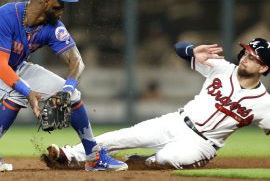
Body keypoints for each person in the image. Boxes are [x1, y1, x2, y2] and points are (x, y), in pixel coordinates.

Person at [46, 38, 270, 169]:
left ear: (263, 68)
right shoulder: (222, 68)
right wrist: (192, 50)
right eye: (246, 52)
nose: (245, 58)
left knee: (165, 159)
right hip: (176, 122)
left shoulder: (263, 102)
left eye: (253, 57)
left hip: (202, 144)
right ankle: (70, 155)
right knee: (123, 136)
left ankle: (143, 162)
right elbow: (179, 48)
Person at [0, 0, 128, 172]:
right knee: (18, 92)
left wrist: (66, 91)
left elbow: (77, 61)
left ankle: (93, 157)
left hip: (16, 66)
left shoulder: (53, 27)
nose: (63, 9)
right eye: (59, 4)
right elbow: (1, 65)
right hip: (2, 66)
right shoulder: (8, 15)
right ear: (45, 1)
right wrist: (28, 91)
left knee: (72, 94)